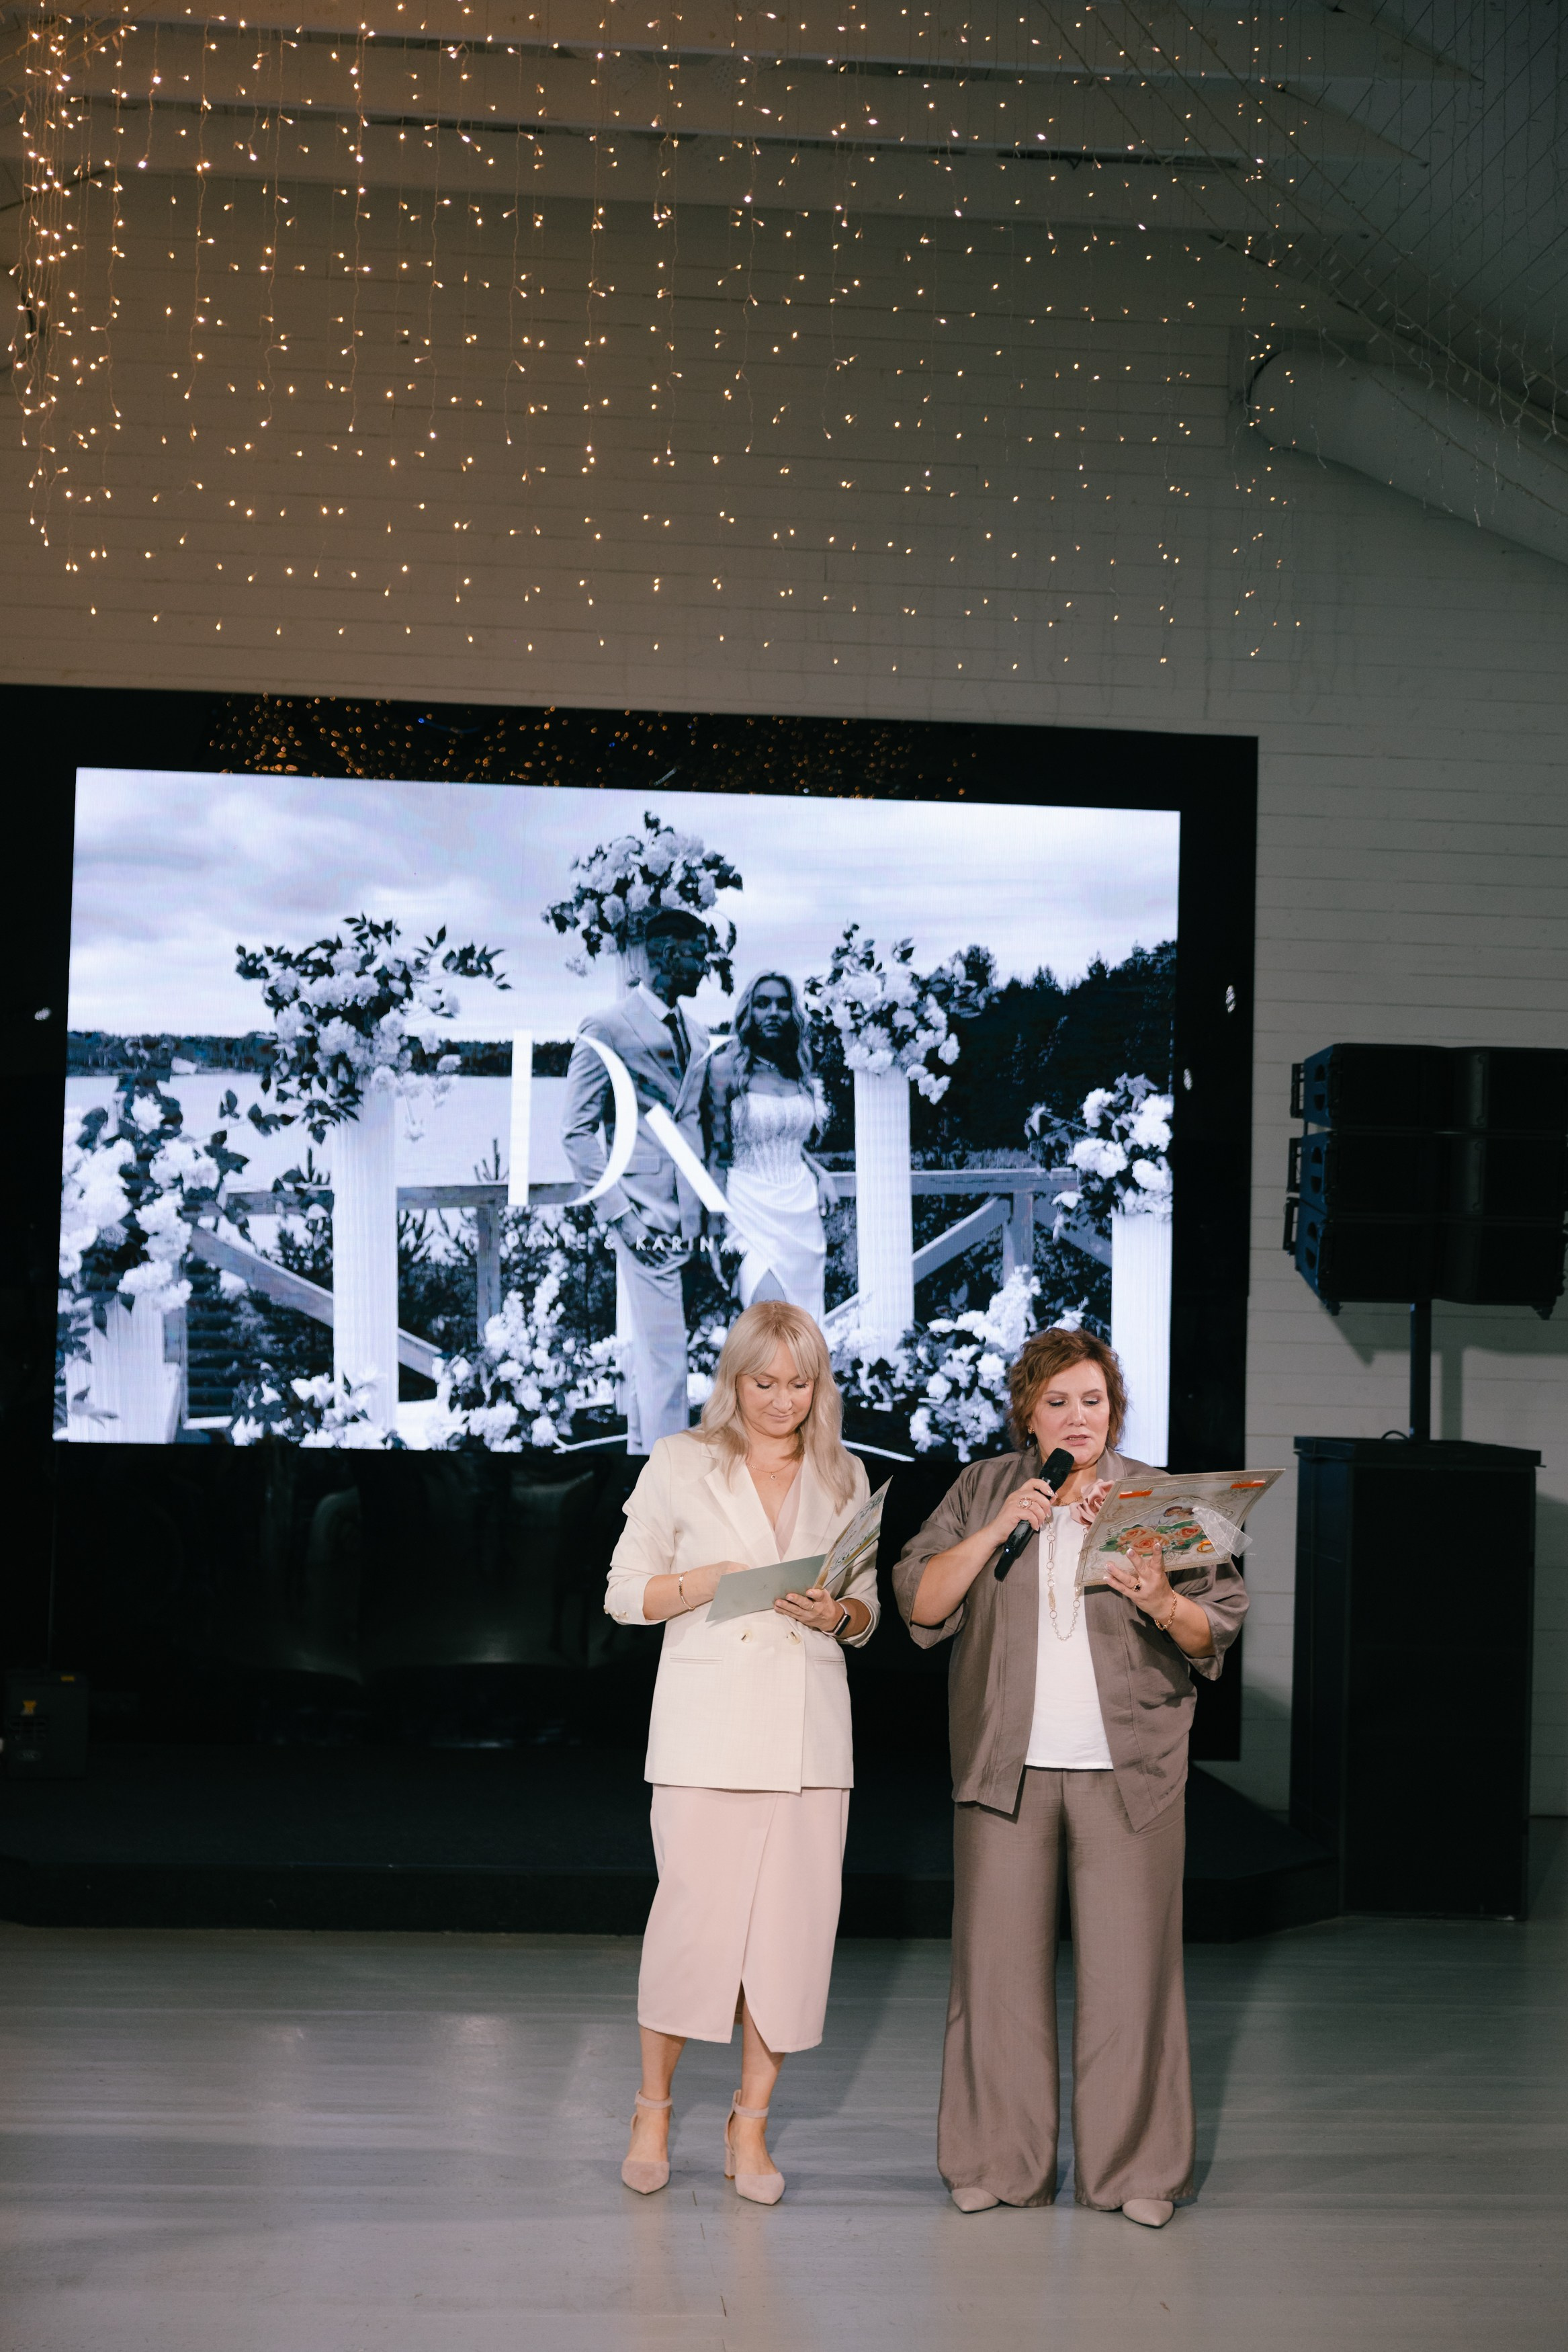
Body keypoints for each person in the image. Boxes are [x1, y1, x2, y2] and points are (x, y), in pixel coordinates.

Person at [891, 1325, 1248, 2229]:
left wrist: (1160, 1597)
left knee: (1132, 1981)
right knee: (996, 1978)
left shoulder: (1157, 1501)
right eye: (1057, 1401)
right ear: (1027, 1412)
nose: (1076, 1417)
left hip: (1130, 1770)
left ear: (1114, 1409)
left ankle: (1133, 2173)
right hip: (1003, 1765)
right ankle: (994, 2163)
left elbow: (1216, 1629)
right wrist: (1003, 1527)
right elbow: (920, 1602)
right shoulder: (982, 1489)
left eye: (1092, 1400)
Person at [603, 1300, 877, 2204]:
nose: (781, 1402)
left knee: (791, 1942)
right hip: (705, 1734)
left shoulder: (843, 1476)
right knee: (689, 1931)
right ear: (733, 1379)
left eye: (799, 1385)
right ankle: (652, 2109)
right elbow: (623, 1594)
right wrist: (701, 1583)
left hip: (808, 1740)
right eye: (764, 1383)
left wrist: (836, 1613)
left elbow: (865, 1606)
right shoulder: (682, 1461)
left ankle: (749, 2127)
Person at [560, 907, 712, 1452]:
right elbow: (577, 1133)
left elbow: (694, 1121)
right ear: (666, 954)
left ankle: (642, 1469)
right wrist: (622, 1218)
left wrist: (705, 1216)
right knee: (668, 1361)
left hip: (691, 1222)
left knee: (661, 1357)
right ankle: (671, 1499)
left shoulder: (696, 1033)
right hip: (641, 1217)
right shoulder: (606, 1027)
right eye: (698, 954)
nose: (705, 966)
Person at [705, 970, 836, 1327]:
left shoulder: (798, 1071)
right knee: (771, 1323)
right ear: (748, 1012)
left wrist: (819, 1171)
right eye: (763, 1004)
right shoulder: (724, 1070)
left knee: (801, 1338)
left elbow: (786, 1136)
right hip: (746, 1210)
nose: (773, 1012)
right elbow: (716, 1153)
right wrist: (715, 1236)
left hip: (801, 1214)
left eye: (782, 1004)